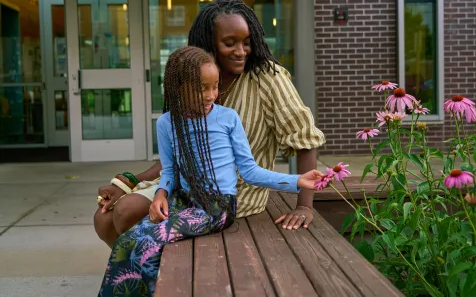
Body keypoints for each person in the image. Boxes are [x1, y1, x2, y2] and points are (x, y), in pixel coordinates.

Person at [94, 0, 326, 248]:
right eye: (230, 43)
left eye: (247, 42)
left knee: (126, 211)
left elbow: (305, 139)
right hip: (184, 186)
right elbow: (179, 152)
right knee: (104, 219)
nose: (241, 51)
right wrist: (130, 181)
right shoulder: (194, 79)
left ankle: (154, 276)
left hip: (230, 193)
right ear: (208, 44)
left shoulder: (267, 78)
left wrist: (304, 206)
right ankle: (144, 280)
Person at [98, 46, 323, 296]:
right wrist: (160, 195)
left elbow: (250, 171)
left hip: (216, 208)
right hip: (183, 202)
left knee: (146, 245)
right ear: (178, 88)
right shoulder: (166, 123)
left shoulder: (228, 119)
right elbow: (170, 171)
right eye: (202, 88)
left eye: (215, 86)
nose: (211, 95)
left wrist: (298, 181)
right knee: (125, 243)